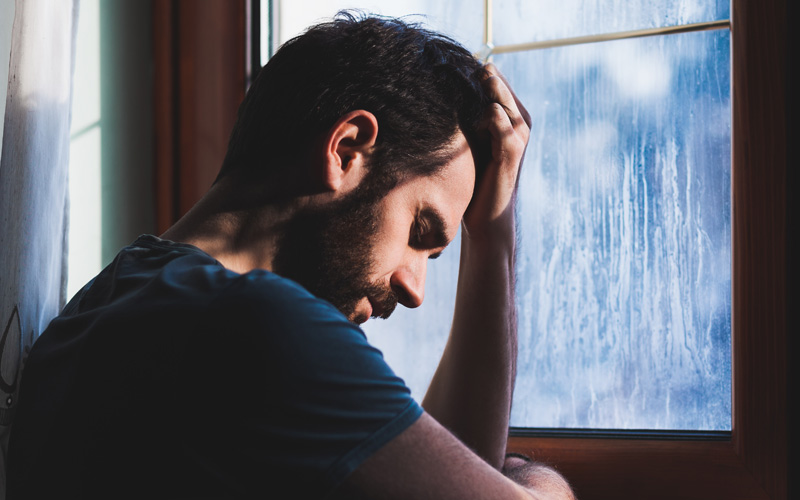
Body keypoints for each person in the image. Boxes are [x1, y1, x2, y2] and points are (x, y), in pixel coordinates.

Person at [6, 12, 575, 499]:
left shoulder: (109, 303)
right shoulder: (259, 324)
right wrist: (538, 481)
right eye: (419, 229)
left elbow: (452, 471)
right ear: (348, 149)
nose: (414, 288)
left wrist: (491, 233)